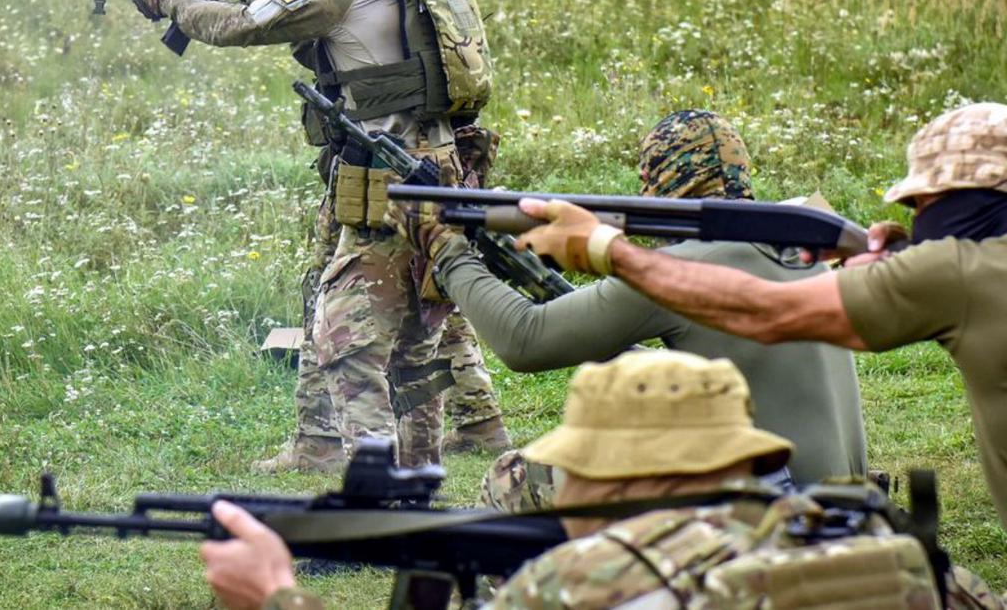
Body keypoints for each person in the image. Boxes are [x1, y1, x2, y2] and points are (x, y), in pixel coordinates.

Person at [511, 102, 1007, 530]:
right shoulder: (968, 270)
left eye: (924, 203)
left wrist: (607, 250)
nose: (917, 219)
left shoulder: (962, 271)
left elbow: (767, 313)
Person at [197, 350, 1004, 609]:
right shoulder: (865, 537)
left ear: (624, 480)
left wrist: (277, 593)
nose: (564, 486)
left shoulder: (584, 581)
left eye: (576, 468)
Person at [125, 0, 494, 467]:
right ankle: (415, 481)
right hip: (437, 170)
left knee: (345, 339)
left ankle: (380, 490)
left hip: (387, 184)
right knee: (416, 342)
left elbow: (238, 27)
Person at [388, 109, 868, 486]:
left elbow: (524, 340)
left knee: (514, 480)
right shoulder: (802, 245)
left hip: (771, 516)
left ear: (660, 184)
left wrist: (446, 251)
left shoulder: (687, 265)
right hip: (845, 505)